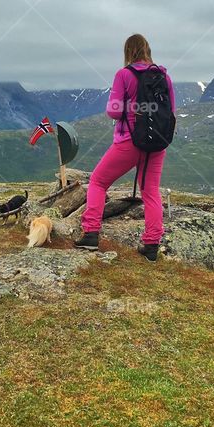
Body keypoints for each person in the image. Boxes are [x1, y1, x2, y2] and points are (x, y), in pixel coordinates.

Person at [74, 34, 175, 261]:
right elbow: (171, 112)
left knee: (99, 182)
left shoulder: (124, 75)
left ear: (128, 52)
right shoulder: (164, 77)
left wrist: (130, 106)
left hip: (129, 141)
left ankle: (90, 234)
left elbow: (113, 110)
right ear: (148, 50)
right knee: (150, 192)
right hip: (157, 143)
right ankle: (151, 245)